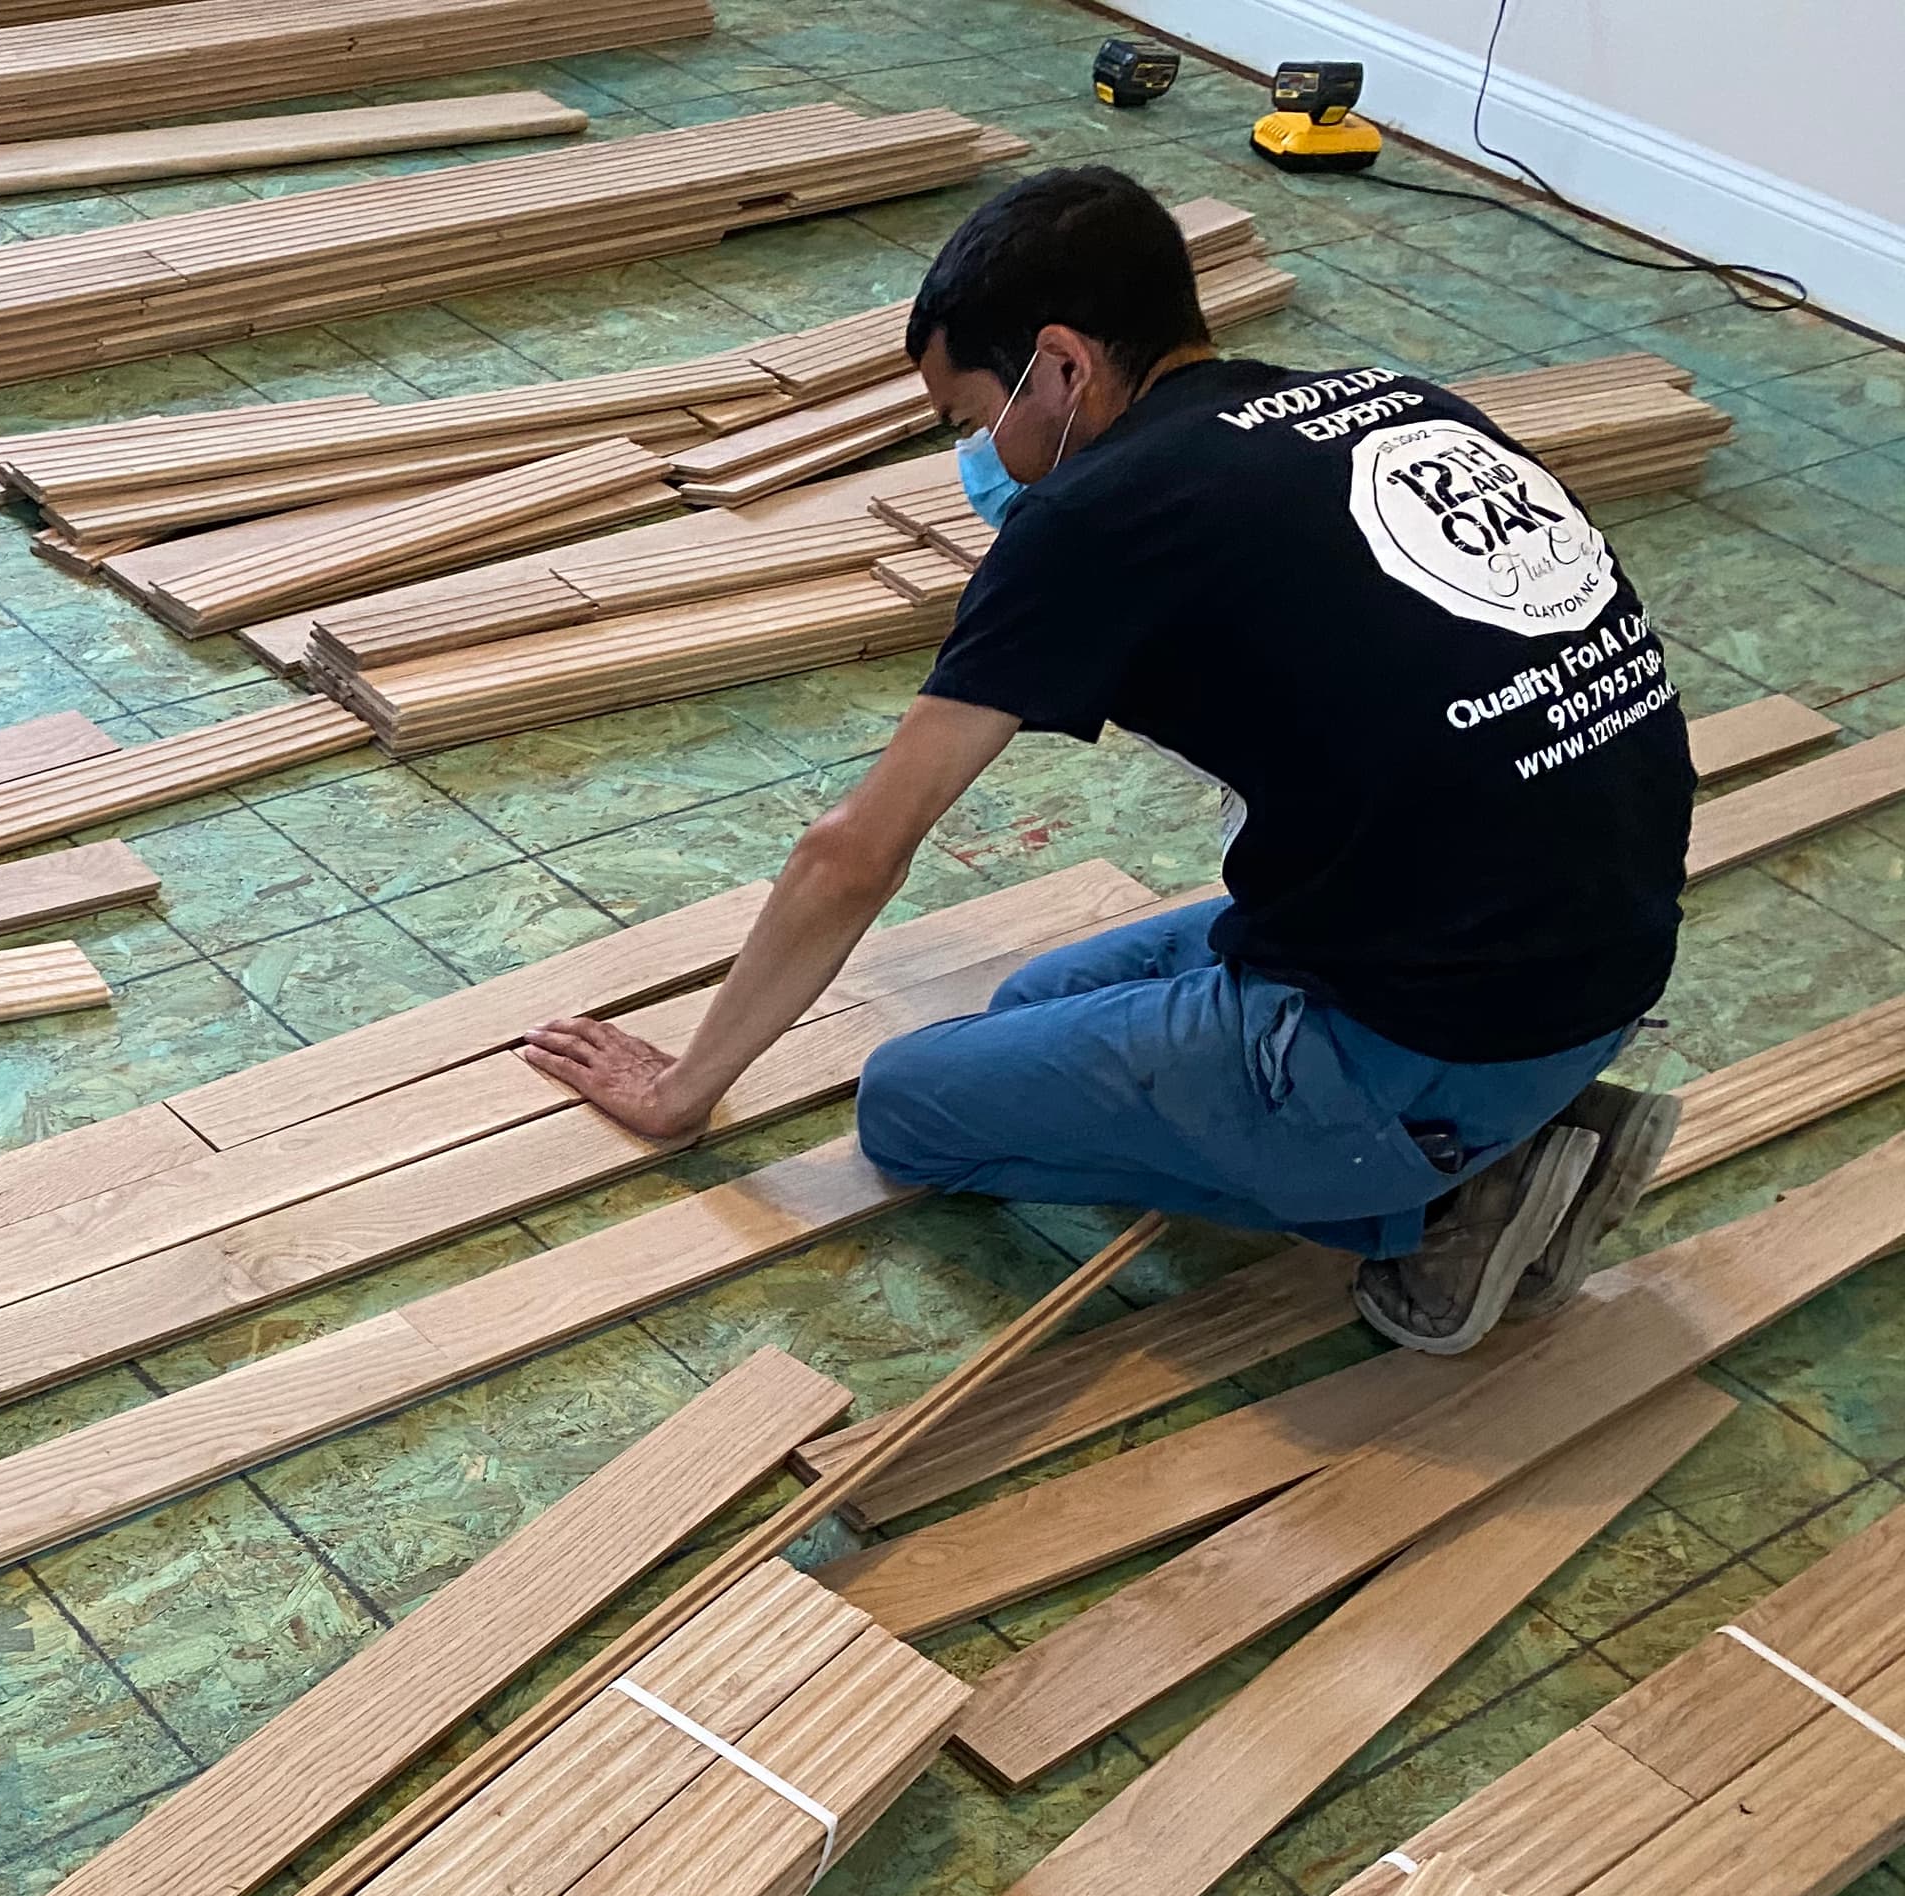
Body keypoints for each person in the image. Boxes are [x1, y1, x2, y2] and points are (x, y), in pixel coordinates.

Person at [521, 164, 1694, 1354]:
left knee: (912, 1107)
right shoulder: (1398, 402)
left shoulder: (1098, 515)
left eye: (978, 418)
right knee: (1033, 1004)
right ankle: (1502, 1120)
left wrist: (683, 1093)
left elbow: (856, 853)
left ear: (1065, 364)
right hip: (1597, 966)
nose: (982, 455)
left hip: (1432, 1034)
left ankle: (1442, 1194)